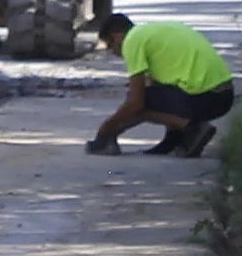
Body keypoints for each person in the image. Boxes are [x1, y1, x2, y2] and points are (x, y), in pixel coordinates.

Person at [86, 13, 235, 158]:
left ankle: (193, 130)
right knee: (157, 92)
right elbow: (162, 92)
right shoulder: (151, 33)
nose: (113, 52)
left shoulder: (132, 41)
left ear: (116, 36)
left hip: (205, 96)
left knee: (144, 100)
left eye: (110, 46)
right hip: (224, 95)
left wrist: (106, 128)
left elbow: (135, 103)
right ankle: (175, 139)